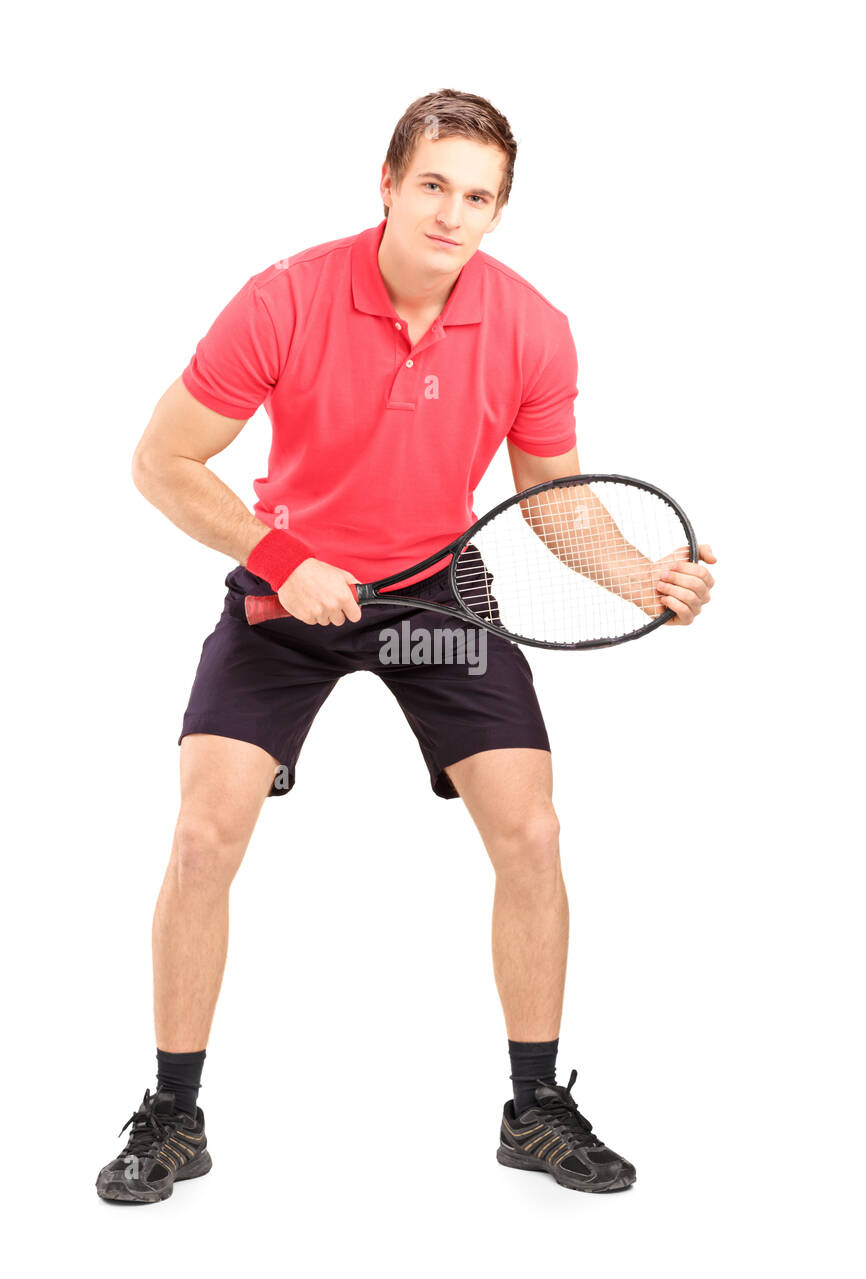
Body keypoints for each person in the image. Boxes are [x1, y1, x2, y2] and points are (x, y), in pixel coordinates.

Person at [96, 88, 715, 1204]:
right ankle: (172, 1114)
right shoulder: (283, 298)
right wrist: (285, 560)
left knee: (530, 829)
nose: (450, 213)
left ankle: (532, 1107)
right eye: (432, 185)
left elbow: (554, 503)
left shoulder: (530, 325)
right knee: (200, 834)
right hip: (292, 598)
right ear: (386, 184)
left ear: (496, 213)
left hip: (437, 594)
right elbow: (161, 463)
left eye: (476, 196)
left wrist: (643, 579)